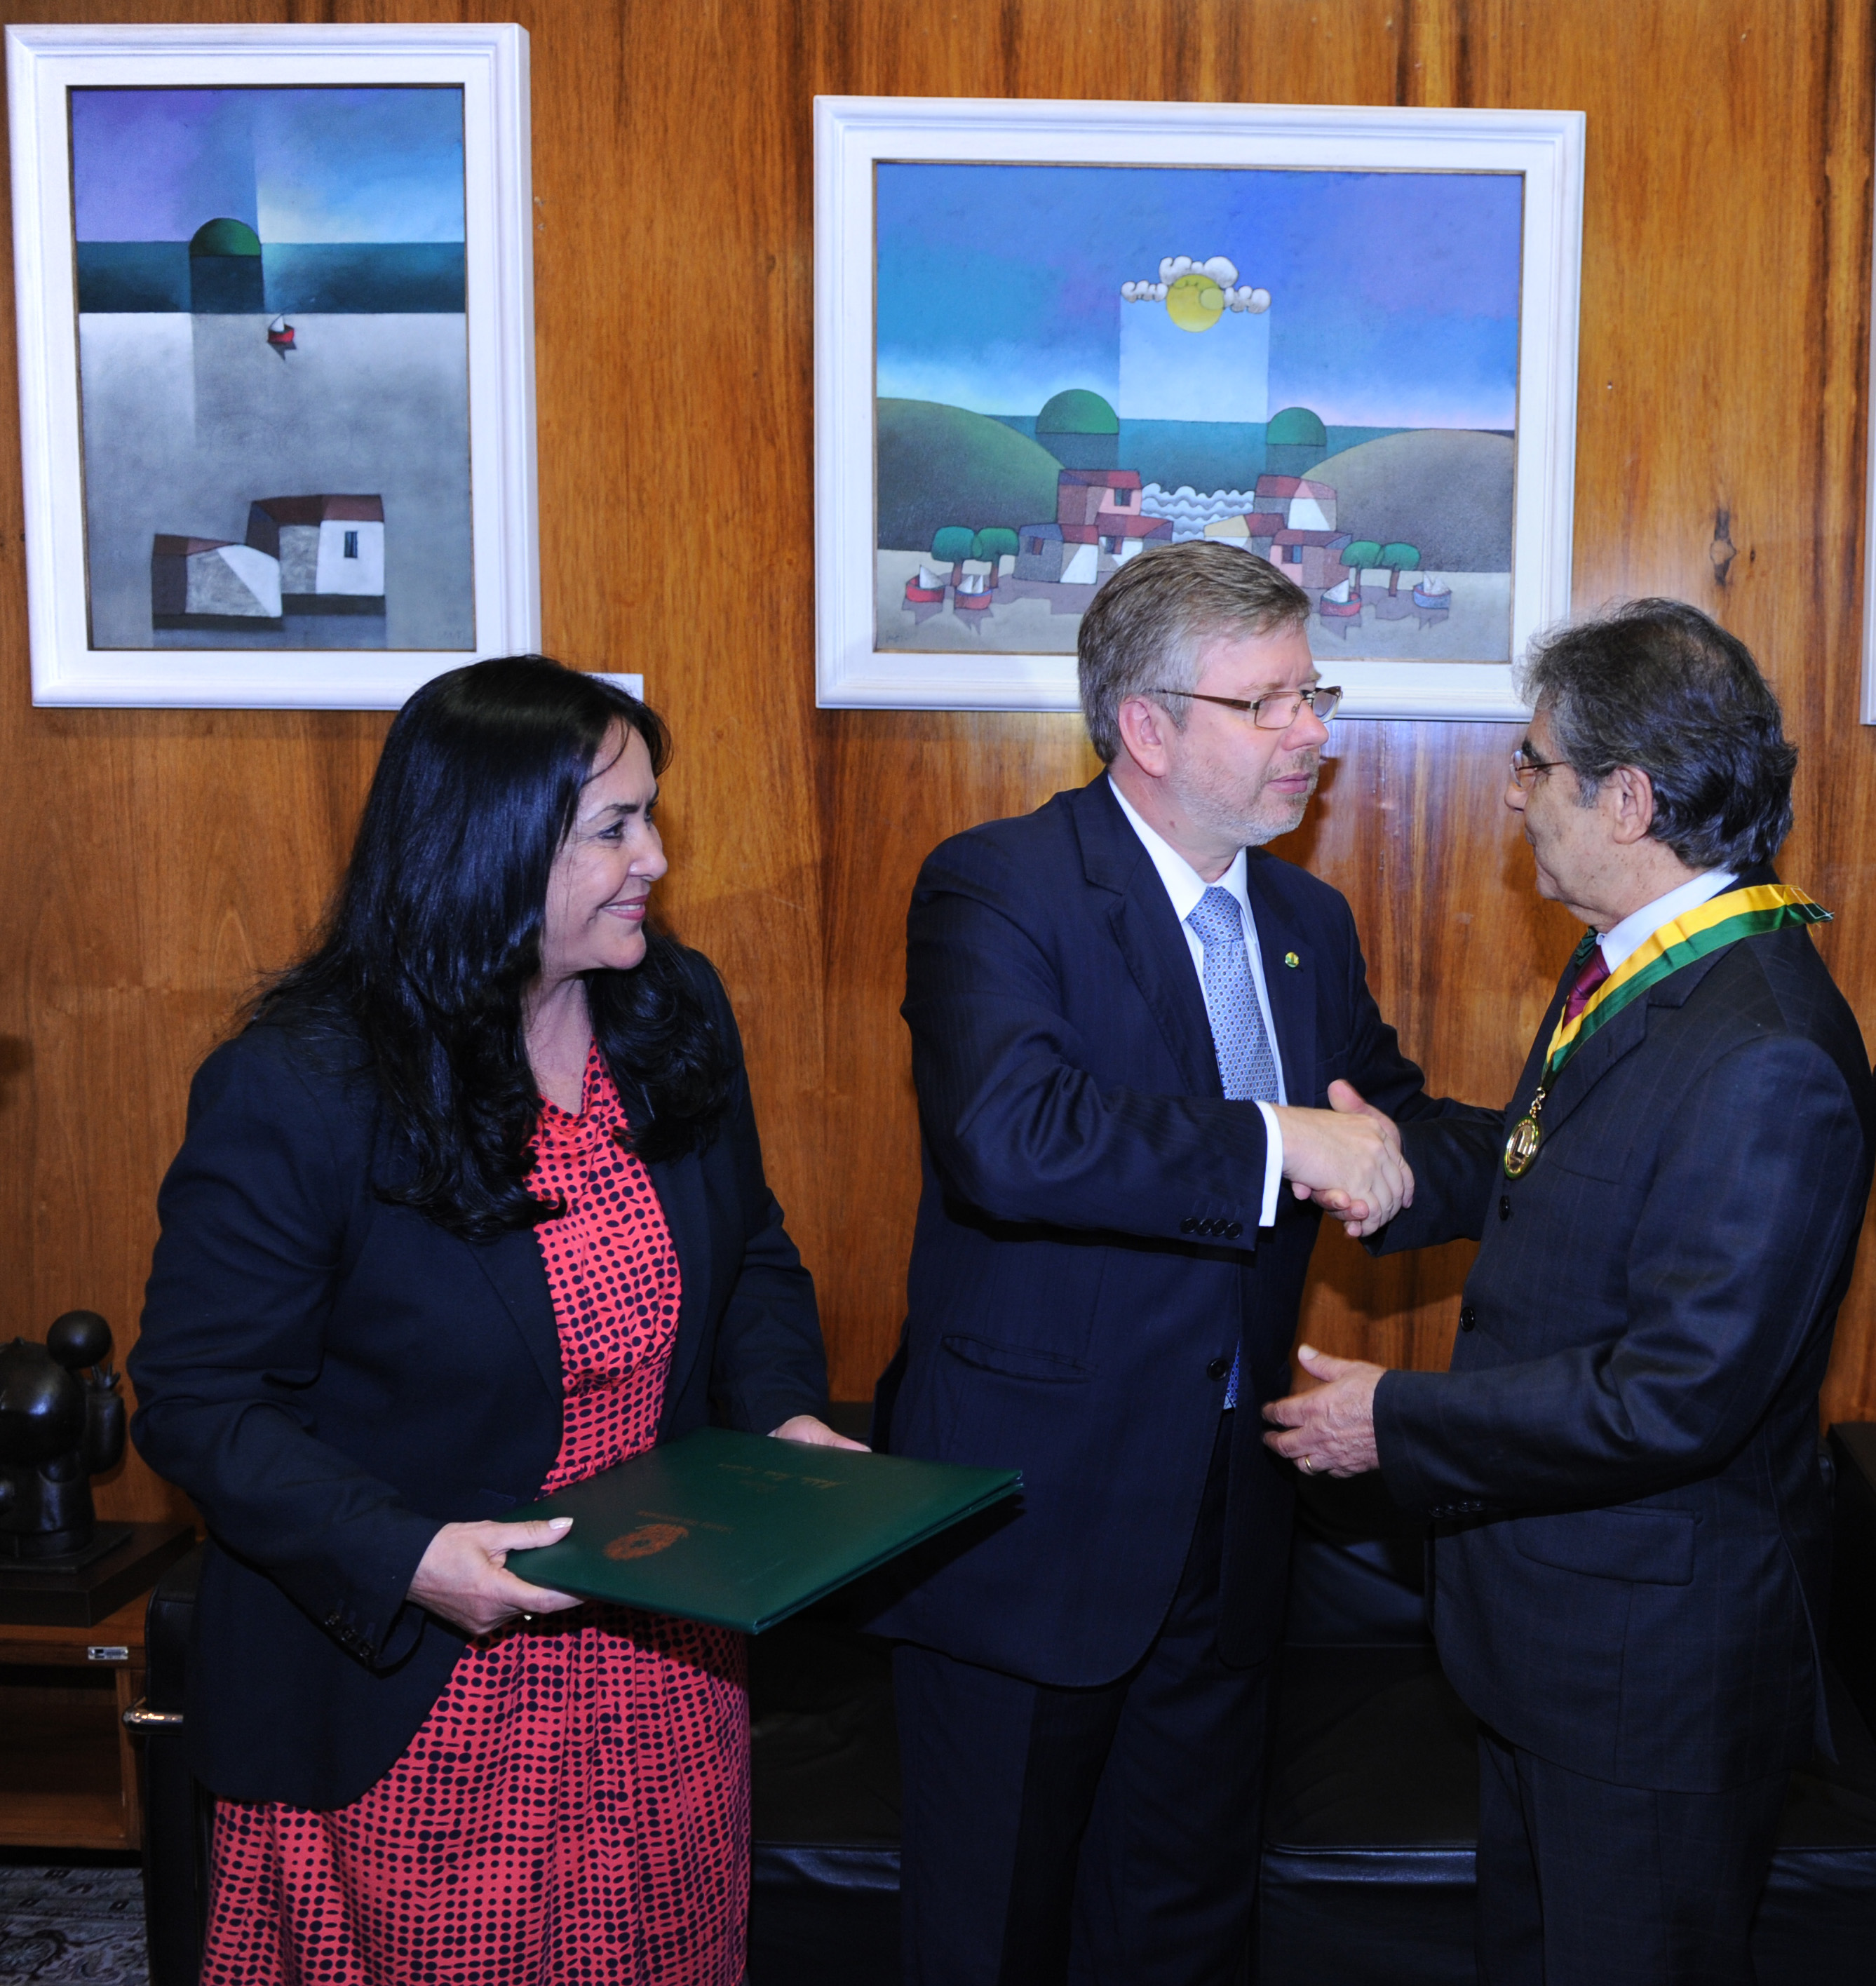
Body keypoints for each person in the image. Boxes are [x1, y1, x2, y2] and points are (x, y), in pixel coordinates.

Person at [129, 656, 856, 1985]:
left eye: (651, 816)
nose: (656, 858)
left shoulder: (672, 1008)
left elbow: (750, 1250)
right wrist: (409, 1555)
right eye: (616, 828)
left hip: (663, 1658)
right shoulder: (305, 1084)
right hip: (418, 1682)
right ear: (493, 848)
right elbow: (198, 1399)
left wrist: (786, 1422)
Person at [868, 540, 1492, 1985]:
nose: (1312, 733)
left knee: (1183, 1932)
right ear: (1147, 726)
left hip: (1231, 1520)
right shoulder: (1001, 885)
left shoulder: (1305, 922)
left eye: (1314, 694)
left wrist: (1561, 1154)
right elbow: (1014, 1138)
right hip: (1031, 1521)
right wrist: (1280, 1140)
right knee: (992, 1934)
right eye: (1269, 702)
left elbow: (1383, 1127)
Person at [1264, 599, 1876, 1985]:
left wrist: (1394, 1422)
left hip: (1650, 1681)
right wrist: (1400, 1166)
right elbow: (1555, 1161)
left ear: (1629, 800)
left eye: (1535, 763)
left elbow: (1675, 1397)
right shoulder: (1639, 966)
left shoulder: (1767, 1053)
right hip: (1555, 1651)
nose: (1514, 791)